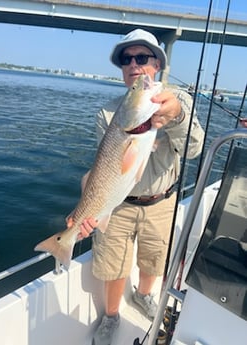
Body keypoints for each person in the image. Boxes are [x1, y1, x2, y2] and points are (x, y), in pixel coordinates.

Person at [68, 29, 204, 345]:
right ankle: (111, 315)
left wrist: (176, 117)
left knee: (154, 258)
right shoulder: (108, 112)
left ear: (157, 63)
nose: (134, 65)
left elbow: (195, 149)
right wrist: (86, 211)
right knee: (114, 263)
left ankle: (144, 295)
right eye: (127, 60)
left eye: (142, 57)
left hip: (162, 199)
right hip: (119, 201)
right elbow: (104, 169)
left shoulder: (178, 100)